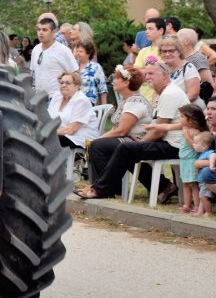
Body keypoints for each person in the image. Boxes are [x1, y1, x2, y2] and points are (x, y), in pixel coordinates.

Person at [76, 61, 189, 201]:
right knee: (127, 149)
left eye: (152, 73)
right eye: (146, 73)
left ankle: (101, 189)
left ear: (165, 75)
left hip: (175, 145)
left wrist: (141, 143)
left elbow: (159, 130)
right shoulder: (164, 93)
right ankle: (163, 186)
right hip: (168, 141)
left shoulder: (169, 94)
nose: (147, 77)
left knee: (125, 148)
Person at [85, 66, 153, 182]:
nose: (113, 81)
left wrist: (97, 139)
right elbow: (118, 130)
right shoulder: (126, 100)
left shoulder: (136, 102)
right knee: (98, 144)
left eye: (117, 78)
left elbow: (122, 131)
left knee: (96, 146)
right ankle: (109, 186)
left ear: (126, 82)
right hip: (126, 141)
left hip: (136, 142)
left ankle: (103, 187)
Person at [163, 104, 207, 213]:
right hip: (184, 160)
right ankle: (187, 204)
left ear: (191, 120)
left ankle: (197, 205)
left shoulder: (195, 132)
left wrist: (187, 136)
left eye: (182, 117)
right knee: (185, 183)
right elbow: (168, 127)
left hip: (192, 160)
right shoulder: (185, 128)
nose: (180, 119)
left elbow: (195, 147)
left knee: (194, 184)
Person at [49, 72, 99, 149]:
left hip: (80, 137)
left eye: (68, 83)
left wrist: (49, 133)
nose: (63, 85)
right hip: (60, 133)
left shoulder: (81, 100)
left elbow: (71, 130)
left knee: (50, 140)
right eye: (61, 83)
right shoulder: (57, 96)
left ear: (77, 86)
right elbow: (48, 118)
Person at [30, 17, 78, 97]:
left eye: (45, 30)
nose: (40, 33)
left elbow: (75, 74)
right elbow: (33, 74)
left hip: (58, 98)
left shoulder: (63, 50)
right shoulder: (35, 49)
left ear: (53, 32)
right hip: (39, 99)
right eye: (39, 29)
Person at [158, 35, 202, 108]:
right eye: (164, 51)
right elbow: (157, 93)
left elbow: (193, 94)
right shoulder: (161, 68)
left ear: (179, 52)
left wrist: (172, 106)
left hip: (185, 110)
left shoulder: (188, 68)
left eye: (171, 51)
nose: (167, 54)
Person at [133, 17, 165, 102]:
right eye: (146, 29)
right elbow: (136, 73)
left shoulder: (167, 52)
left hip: (160, 98)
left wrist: (144, 71)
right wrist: (152, 71)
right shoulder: (143, 51)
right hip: (142, 97)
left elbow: (164, 73)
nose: (146, 32)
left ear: (161, 31)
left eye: (150, 29)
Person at [178, 28, 215, 100]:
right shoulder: (180, 58)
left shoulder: (198, 58)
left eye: (177, 38)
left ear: (186, 41)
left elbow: (208, 84)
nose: (174, 42)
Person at [190, 131, 216, 215]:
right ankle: (200, 211)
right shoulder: (202, 154)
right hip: (202, 181)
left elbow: (213, 155)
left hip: (206, 182)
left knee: (204, 197)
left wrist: (212, 164)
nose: (193, 144)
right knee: (202, 197)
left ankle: (208, 212)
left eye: (195, 143)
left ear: (204, 146)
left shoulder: (208, 153)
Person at [73, 40, 107, 105]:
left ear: (88, 54)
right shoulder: (73, 66)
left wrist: (104, 107)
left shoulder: (96, 67)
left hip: (89, 104)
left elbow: (103, 88)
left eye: (81, 51)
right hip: (73, 103)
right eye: (77, 51)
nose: (78, 53)